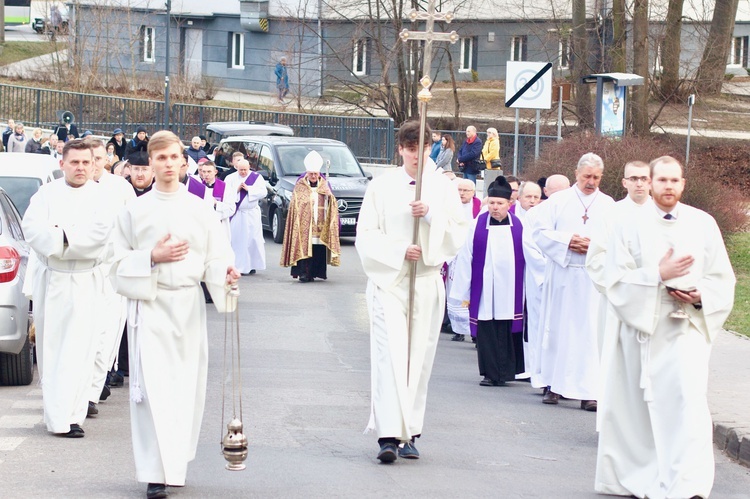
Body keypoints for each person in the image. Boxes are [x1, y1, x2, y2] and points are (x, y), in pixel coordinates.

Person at [590, 156, 735, 499]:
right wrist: (657, 275)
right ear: (651, 184)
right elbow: (614, 278)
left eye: (674, 181)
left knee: (688, 403)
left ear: (683, 184)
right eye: (662, 181)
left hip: (685, 329)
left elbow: (722, 279)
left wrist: (700, 296)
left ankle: (688, 483)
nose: (668, 187)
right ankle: (642, 477)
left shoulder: (703, 223)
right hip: (642, 329)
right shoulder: (628, 223)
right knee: (637, 411)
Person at [111, 130, 239, 499]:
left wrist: (224, 274)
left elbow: (217, 256)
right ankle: (154, 472)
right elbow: (114, 262)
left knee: (185, 388)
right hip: (150, 305)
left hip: (187, 306)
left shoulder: (200, 208)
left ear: (184, 162)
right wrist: (151, 257)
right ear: (149, 163)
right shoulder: (134, 211)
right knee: (153, 390)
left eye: (173, 158)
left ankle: (175, 465)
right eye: (160, 158)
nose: (167, 164)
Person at [355, 121, 469, 463]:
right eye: (409, 149)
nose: (415, 156)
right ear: (400, 150)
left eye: (421, 148)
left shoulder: (442, 187)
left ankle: (411, 433)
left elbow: (458, 231)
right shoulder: (382, 185)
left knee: (418, 358)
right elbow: (366, 234)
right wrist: (399, 249)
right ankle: (387, 435)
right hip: (390, 281)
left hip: (425, 279)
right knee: (390, 356)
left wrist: (431, 215)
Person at [22, 139, 113, 437]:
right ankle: (57, 417)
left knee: (84, 348)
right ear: (62, 164)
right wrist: (69, 238)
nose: (81, 168)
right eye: (74, 162)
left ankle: (75, 415)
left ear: (94, 165)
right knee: (54, 348)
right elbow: (33, 230)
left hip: (87, 279)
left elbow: (101, 235)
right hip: (55, 280)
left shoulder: (102, 196)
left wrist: (60, 235)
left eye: (87, 162)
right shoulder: (45, 194)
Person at [532, 153, 614, 411]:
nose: (591, 182)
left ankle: (590, 391)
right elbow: (539, 232)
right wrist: (568, 241)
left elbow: (619, 240)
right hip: (563, 274)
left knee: (590, 334)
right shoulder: (558, 200)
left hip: (594, 278)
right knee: (559, 329)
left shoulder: (609, 204)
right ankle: (553, 386)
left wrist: (595, 247)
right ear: (577, 173)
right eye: (587, 176)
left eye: (596, 178)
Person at [451, 176, 525, 386]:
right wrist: (462, 291)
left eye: (500, 203)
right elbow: (467, 257)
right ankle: (489, 373)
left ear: (509, 204)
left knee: (506, 328)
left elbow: (529, 257)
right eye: (491, 202)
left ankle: (506, 373)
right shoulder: (477, 225)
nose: (495, 207)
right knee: (487, 330)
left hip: (510, 289)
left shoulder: (519, 226)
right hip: (485, 289)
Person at [86, 140, 136, 414]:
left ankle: (95, 386)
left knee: (107, 332)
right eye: (86, 158)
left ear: (106, 159)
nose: (91, 164)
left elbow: (133, 226)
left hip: (112, 270)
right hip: (82, 271)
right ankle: (86, 389)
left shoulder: (120, 188)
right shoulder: (72, 188)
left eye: (96, 158)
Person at [280, 151, 341, 282]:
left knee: (317, 248)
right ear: (307, 172)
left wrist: (329, 197)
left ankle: (314, 273)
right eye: (311, 174)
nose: (313, 176)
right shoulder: (300, 185)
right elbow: (296, 203)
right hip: (304, 223)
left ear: (319, 173)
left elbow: (332, 202)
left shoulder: (325, 184)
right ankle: (303, 273)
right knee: (303, 246)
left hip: (320, 223)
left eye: (316, 174)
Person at [447, 179, 482, 342]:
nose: (461, 193)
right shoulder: (450, 206)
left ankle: (474, 331)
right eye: (459, 190)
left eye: (466, 190)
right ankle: (457, 329)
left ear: (473, 192)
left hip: (472, 253)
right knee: (455, 290)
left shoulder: (479, 208)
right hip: (453, 253)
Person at [226, 159, 265, 274]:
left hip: (252, 213)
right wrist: (237, 190)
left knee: (252, 240)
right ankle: (237, 265)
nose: (243, 172)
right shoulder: (230, 178)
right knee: (238, 240)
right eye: (240, 170)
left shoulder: (257, 177)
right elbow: (225, 193)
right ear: (236, 168)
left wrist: (249, 190)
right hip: (237, 214)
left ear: (249, 168)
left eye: (245, 170)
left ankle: (252, 265)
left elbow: (263, 192)